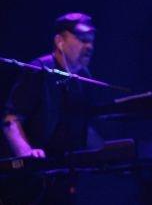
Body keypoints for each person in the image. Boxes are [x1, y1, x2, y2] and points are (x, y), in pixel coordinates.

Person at [3, 12, 97, 159]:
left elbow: (84, 128)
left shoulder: (85, 77)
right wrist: (27, 153)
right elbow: (10, 120)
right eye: (83, 39)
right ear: (60, 41)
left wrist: (107, 153)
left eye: (91, 40)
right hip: (36, 166)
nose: (89, 46)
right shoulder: (38, 70)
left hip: (68, 166)